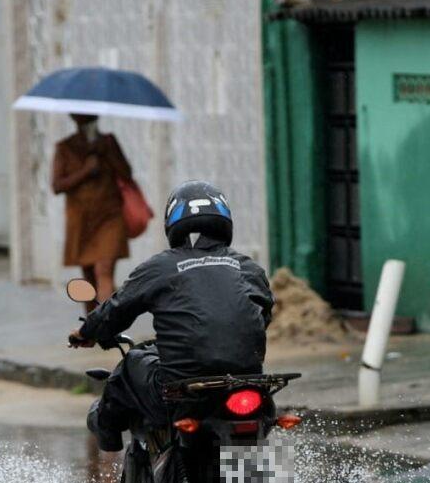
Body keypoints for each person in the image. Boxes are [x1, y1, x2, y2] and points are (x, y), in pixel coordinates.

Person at [68, 180, 274, 452]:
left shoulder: (162, 265)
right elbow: (263, 315)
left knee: (130, 365)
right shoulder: (249, 267)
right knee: (262, 432)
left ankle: (107, 435)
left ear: (174, 224)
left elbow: (116, 308)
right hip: (247, 381)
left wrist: (87, 333)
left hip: (181, 388)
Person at [51, 114, 132, 307]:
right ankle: (92, 328)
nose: (86, 121)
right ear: (74, 119)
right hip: (81, 220)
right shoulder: (64, 147)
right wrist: (85, 171)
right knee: (89, 280)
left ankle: (107, 327)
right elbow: (57, 185)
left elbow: (127, 174)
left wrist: (108, 154)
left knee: (103, 270)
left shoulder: (109, 142)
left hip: (109, 216)